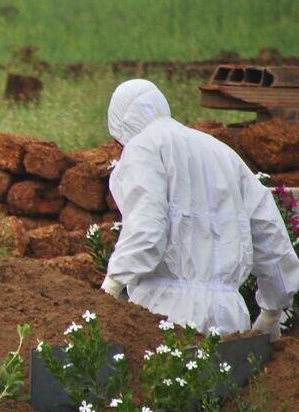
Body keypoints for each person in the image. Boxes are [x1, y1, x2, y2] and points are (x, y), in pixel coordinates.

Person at [101, 79, 299, 337]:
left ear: (122, 126)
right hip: (229, 316)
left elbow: (146, 227)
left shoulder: (143, 147)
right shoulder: (222, 153)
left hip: (164, 311)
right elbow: (269, 233)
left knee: (173, 378)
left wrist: (113, 284)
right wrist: (273, 310)